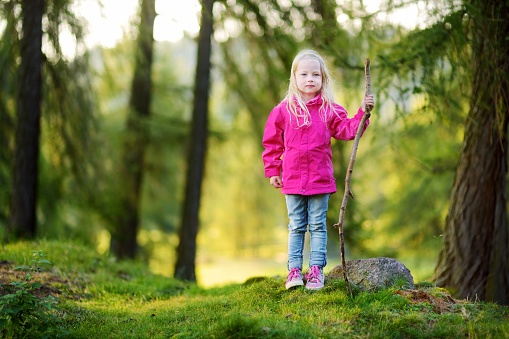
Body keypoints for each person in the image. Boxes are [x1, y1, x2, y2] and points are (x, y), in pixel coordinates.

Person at [262, 49, 374, 290]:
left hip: (320, 179)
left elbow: (347, 129)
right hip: (292, 179)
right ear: (294, 78)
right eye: (304, 74)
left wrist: (363, 114)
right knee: (296, 225)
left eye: (315, 74)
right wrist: (273, 170)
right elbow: (272, 142)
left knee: (317, 225)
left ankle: (315, 271)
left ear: (323, 79)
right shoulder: (283, 110)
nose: (309, 79)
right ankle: (293, 270)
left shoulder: (328, 109)